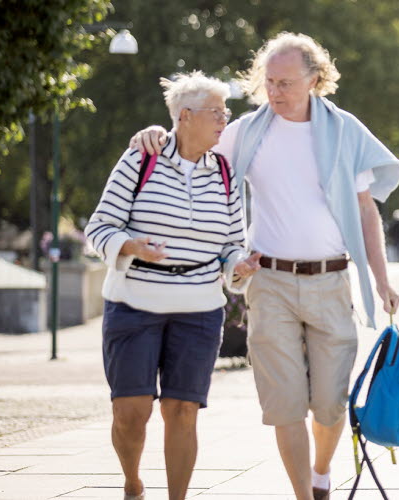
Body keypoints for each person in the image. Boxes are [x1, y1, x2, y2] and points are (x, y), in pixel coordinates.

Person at [128, 32, 399, 500]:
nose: (275, 92)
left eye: (285, 83)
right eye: (269, 82)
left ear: (314, 80)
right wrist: (156, 134)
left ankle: (320, 471)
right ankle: (304, 495)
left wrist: (380, 279)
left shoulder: (344, 131)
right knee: (285, 405)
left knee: (331, 405)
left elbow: (365, 210)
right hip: (269, 281)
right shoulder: (246, 131)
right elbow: (192, 150)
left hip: (331, 280)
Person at [86, 71, 261, 500]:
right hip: (133, 303)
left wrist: (240, 264)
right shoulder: (139, 160)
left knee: (182, 409)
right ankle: (132, 484)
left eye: (226, 112)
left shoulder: (224, 174)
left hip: (198, 307)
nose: (224, 121)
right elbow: (99, 227)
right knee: (131, 410)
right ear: (184, 117)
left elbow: (230, 245)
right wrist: (130, 245)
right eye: (215, 113)